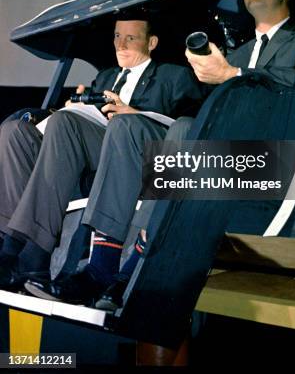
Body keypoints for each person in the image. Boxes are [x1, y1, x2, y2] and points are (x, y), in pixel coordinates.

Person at [24, 0, 295, 309]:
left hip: (268, 156)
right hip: (214, 151)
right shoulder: (238, 52)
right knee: (128, 127)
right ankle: (100, 268)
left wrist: (234, 74)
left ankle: (133, 269)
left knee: (186, 128)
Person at [0, 16, 206, 290]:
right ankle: (13, 244)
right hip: (99, 146)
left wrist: (132, 112)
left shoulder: (173, 76)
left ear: (151, 42)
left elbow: (190, 125)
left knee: (119, 125)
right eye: (117, 36)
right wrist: (71, 109)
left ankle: (29, 250)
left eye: (131, 38)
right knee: (16, 131)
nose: (121, 44)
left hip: (142, 150)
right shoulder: (106, 77)